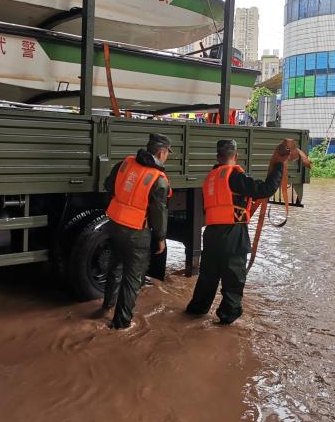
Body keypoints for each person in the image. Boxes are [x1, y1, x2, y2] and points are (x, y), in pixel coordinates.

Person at [185, 139, 283, 325]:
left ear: (217, 157)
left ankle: (196, 310)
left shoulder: (210, 178)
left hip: (212, 234)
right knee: (233, 279)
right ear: (236, 156)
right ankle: (228, 319)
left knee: (207, 278)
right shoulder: (235, 177)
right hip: (233, 234)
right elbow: (266, 189)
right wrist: (279, 167)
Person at [102, 133, 172, 329]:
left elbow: (109, 186)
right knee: (132, 278)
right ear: (161, 152)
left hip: (114, 223)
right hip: (136, 231)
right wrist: (160, 239)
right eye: (167, 153)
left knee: (115, 266)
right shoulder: (159, 180)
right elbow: (159, 213)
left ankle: (107, 305)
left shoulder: (125, 164)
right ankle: (121, 324)